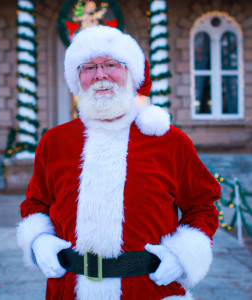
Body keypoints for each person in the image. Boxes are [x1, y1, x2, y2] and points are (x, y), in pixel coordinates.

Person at [17, 25, 221, 300]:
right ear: (77, 79)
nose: (100, 74)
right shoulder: (54, 142)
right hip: (70, 290)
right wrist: (38, 240)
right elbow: (36, 203)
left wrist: (183, 255)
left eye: (111, 64)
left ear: (131, 73)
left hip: (148, 290)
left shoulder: (171, 142)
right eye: (88, 67)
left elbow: (202, 205)